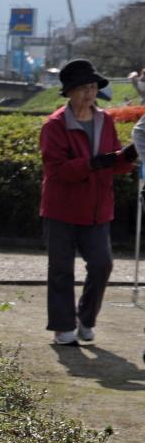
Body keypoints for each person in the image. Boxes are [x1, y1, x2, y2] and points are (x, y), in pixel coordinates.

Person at [39, 59, 137, 347]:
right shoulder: (55, 125)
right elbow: (57, 170)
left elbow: (112, 162)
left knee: (101, 264)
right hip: (61, 208)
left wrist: (129, 156)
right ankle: (63, 326)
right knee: (61, 269)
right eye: (83, 88)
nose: (89, 93)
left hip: (97, 208)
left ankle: (86, 318)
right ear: (69, 92)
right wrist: (94, 163)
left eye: (93, 87)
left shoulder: (104, 120)